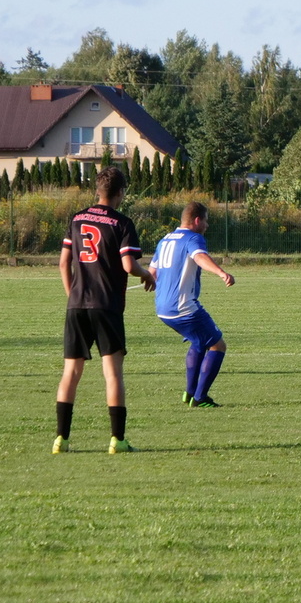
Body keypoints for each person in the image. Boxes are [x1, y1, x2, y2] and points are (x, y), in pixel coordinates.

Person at [54, 166, 155, 454]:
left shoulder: (76, 219)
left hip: (77, 305)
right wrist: (147, 274)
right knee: (112, 374)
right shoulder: (122, 223)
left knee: (71, 373)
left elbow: (63, 263)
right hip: (106, 305)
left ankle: (61, 440)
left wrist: (73, 295)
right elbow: (128, 265)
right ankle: (117, 440)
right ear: (121, 192)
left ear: (98, 190)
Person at [150, 201, 236, 407]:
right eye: (206, 221)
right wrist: (221, 272)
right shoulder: (193, 238)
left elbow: (152, 273)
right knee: (218, 345)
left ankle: (190, 394)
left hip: (163, 308)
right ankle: (200, 398)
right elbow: (199, 257)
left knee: (198, 342)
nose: (207, 225)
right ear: (197, 220)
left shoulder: (165, 239)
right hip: (183, 307)